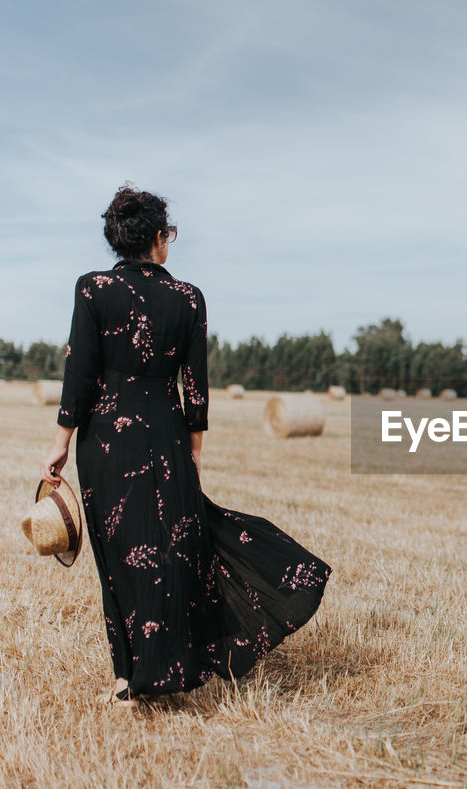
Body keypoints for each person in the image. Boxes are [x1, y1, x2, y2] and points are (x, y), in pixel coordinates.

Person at [40, 185, 331, 704]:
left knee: (121, 556)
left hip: (105, 442)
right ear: (157, 238)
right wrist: (194, 453)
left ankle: (130, 675)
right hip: (167, 436)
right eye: (167, 234)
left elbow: (78, 375)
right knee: (175, 550)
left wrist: (60, 442)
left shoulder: (91, 289)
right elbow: (195, 389)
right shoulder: (188, 298)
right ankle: (164, 667)